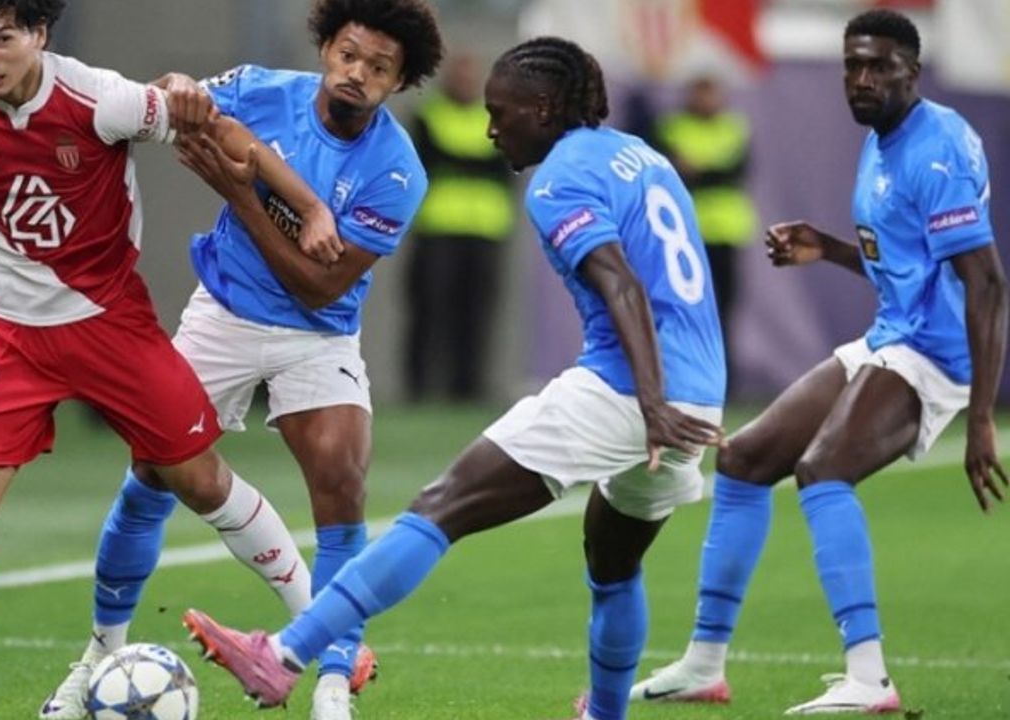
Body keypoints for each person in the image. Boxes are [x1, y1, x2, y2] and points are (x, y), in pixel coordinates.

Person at [0, 2, 341, 718]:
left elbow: (219, 130)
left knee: (199, 480)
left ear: (39, 34)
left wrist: (309, 208)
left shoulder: (103, 99)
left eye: (5, 37)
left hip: (110, 326)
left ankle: (326, 628)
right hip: (11, 333)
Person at [181, 36, 727, 720]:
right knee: (614, 567)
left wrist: (649, 399)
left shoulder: (559, 179)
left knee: (440, 507)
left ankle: (283, 656)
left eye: (502, 113)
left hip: (633, 391)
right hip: (698, 398)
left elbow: (621, 283)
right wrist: (670, 402)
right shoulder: (643, 156)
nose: (492, 129)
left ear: (545, 108)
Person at [40, 3, 443, 719]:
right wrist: (178, 86)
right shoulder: (261, 90)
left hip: (318, 333)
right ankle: (98, 657)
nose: (358, 74)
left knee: (342, 479)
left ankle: (331, 690)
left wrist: (237, 193)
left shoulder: (398, 171)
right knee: (149, 475)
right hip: (223, 314)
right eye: (349, 54)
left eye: (380, 68)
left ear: (401, 82)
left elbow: (317, 286)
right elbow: (171, 98)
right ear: (326, 47)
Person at [629, 9, 1006, 715]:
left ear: (912, 72)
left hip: (933, 352)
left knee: (824, 470)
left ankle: (870, 678)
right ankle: (704, 665)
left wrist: (980, 416)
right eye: (852, 65)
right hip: (892, 334)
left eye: (879, 66)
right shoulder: (884, 139)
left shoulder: (935, 149)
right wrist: (829, 249)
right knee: (743, 459)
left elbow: (986, 283)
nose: (862, 79)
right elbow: (907, 263)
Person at [403, 50, 515, 402]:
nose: (466, 82)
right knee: (429, 312)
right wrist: (474, 164)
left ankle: (469, 389)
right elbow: (422, 165)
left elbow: (507, 169)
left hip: (485, 231)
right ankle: (419, 389)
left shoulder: (496, 119)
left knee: (477, 314)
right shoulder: (428, 116)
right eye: (460, 75)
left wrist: (455, 163)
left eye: (471, 76)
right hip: (438, 229)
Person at [654, 74, 756, 398]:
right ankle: (679, 379)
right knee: (680, 310)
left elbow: (734, 172)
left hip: (725, 233)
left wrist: (698, 171)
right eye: (700, 93)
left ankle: (722, 382)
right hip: (683, 237)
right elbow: (668, 173)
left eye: (711, 93)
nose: (706, 101)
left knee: (723, 311)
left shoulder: (734, 127)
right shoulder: (671, 127)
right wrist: (703, 172)